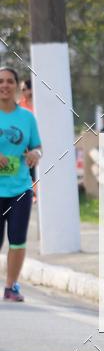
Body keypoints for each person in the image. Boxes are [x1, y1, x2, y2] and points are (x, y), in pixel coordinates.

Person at [0, 66, 42, 302]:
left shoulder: (26, 118)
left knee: (18, 240)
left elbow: (38, 145)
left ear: (16, 86)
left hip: (20, 189)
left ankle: (11, 286)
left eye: (9, 81)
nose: (4, 85)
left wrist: (35, 154)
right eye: (0, 81)